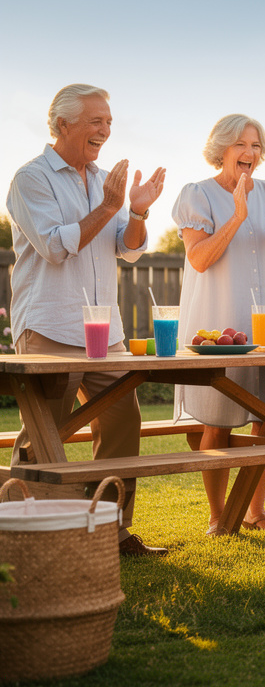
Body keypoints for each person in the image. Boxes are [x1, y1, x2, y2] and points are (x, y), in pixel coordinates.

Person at [6, 83, 168, 556]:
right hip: (50, 327)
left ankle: (111, 532)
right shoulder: (30, 179)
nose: (105, 129)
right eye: (95, 121)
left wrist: (136, 210)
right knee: (44, 435)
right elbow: (56, 245)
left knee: (123, 423)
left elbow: (129, 247)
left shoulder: (103, 181)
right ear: (62, 125)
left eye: (108, 121)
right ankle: (32, 529)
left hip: (103, 332)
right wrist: (111, 206)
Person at [169, 115, 265, 535]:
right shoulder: (198, 194)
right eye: (241, 144)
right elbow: (200, 259)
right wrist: (238, 215)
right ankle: (218, 516)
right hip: (217, 325)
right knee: (218, 420)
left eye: (257, 145)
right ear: (222, 148)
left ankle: (254, 510)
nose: (250, 153)